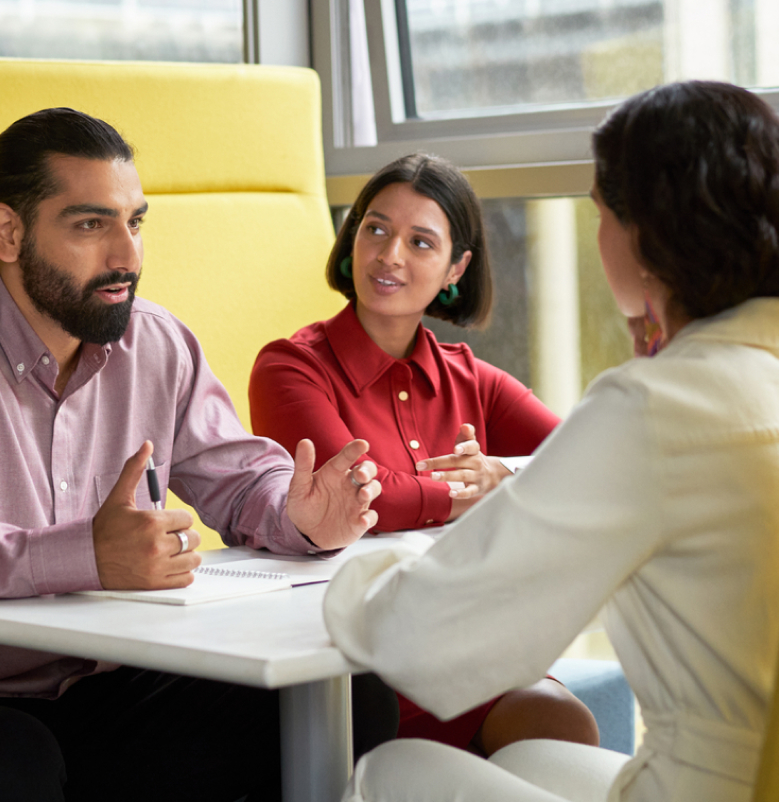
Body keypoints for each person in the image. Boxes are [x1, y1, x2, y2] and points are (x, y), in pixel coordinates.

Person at [0, 107, 385, 802]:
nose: (127, 256)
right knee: (0, 764)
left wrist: (299, 514)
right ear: (8, 232)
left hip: (93, 687)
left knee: (347, 695)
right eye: (90, 225)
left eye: (135, 222)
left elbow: (242, 479)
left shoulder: (157, 344)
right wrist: (79, 554)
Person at [322, 80, 779, 802]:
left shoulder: (654, 407)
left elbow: (415, 643)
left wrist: (369, 575)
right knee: (532, 761)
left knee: (387, 771)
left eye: (600, 216)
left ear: (645, 237)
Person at [249, 154, 598, 757]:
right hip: (344, 659)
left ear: (456, 267)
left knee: (562, 724)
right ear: (351, 238)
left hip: (463, 641)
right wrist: (478, 493)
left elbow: (590, 466)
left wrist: (500, 477)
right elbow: (360, 498)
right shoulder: (288, 368)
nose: (390, 256)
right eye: (376, 229)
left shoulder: (474, 379)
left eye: (420, 241)